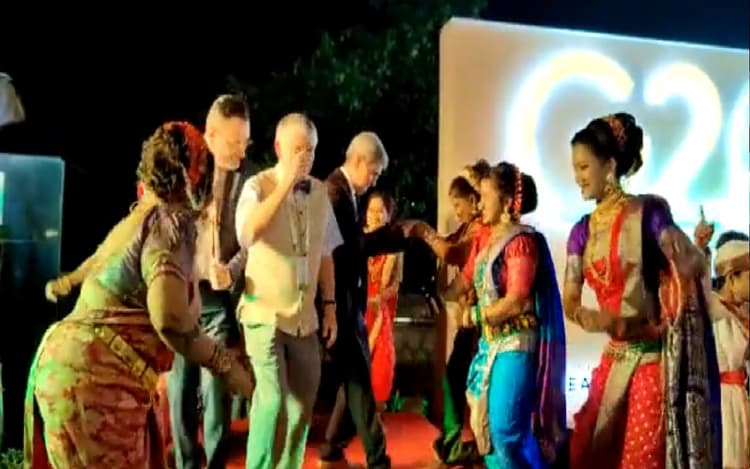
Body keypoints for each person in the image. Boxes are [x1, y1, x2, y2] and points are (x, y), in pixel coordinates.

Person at [25, 121, 254, 469]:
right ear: (193, 176)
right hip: (96, 380)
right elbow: (169, 318)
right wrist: (226, 366)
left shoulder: (139, 219)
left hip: (70, 367)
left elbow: (100, 270)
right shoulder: (168, 226)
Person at [564, 113, 722, 469]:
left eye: (584, 167)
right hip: (614, 357)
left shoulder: (646, 214)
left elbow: (687, 264)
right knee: (587, 452)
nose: (577, 177)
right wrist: (591, 317)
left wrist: (695, 250)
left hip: (650, 360)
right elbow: (569, 299)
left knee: (641, 458)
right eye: (575, 168)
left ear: (610, 166)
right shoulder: (580, 232)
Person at [415, 162, 567, 468]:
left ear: (507, 202)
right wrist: (440, 297)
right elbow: (463, 281)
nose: (479, 204)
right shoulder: (487, 242)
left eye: (485, 196)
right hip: (489, 346)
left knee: (506, 431)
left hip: (515, 344)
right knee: (488, 434)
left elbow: (516, 301)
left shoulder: (521, 242)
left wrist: (474, 315)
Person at [235, 113, 341, 469]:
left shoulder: (320, 192)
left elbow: (326, 252)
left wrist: (329, 306)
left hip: (304, 317)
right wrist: (285, 185)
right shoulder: (257, 186)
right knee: (272, 401)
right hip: (263, 312)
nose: (305, 157)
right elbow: (247, 234)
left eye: (310, 150)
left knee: (303, 402)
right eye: (298, 149)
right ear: (279, 148)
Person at [318, 131, 412, 469]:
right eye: (373, 173)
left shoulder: (347, 193)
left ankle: (333, 447)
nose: (374, 181)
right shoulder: (335, 193)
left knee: (356, 380)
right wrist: (400, 234)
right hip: (338, 303)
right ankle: (377, 458)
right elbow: (349, 250)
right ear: (358, 161)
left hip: (348, 302)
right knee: (359, 380)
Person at [167, 94, 251, 469]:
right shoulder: (183, 175)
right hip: (184, 295)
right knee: (181, 386)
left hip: (219, 300)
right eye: (234, 142)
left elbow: (254, 241)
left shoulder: (251, 180)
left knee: (215, 388)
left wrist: (231, 269)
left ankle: (215, 462)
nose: (241, 151)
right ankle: (186, 462)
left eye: (245, 141)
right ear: (211, 136)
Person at [421, 161, 491, 466]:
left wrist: (421, 232)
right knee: (458, 377)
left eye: (458, 204)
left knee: (466, 379)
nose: (457, 210)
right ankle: (457, 440)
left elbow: (451, 253)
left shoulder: (480, 229)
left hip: (482, 318)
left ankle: (464, 442)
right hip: (470, 317)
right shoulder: (469, 228)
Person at [696, 227, 749, 469]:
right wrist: (700, 247)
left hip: (740, 398)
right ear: (731, 277)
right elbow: (698, 288)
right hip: (723, 404)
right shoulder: (714, 308)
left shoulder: (742, 312)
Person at [363, 191, 403, 411]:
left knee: (380, 366)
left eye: (380, 211)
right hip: (358, 310)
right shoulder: (357, 240)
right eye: (371, 210)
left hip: (380, 310)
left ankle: (377, 413)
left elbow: (395, 285)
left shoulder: (394, 244)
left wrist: (378, 298)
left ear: (389, 215)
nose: (375, 215)